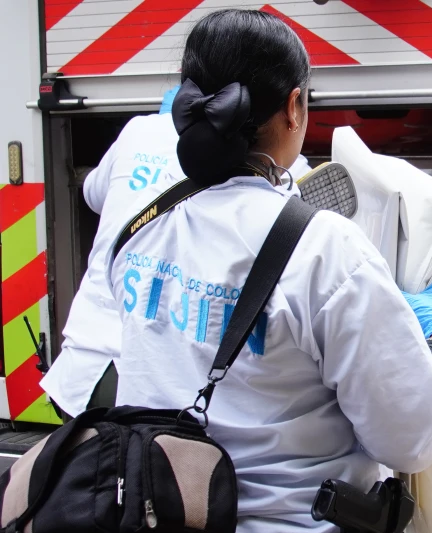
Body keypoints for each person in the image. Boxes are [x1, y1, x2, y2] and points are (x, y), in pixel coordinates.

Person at [83, 9, 432, 533]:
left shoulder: (140, 226)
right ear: (293, 107)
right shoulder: (327, 252)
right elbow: (410, 440)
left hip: (156, 517)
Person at [40, 87, 313, 418]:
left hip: (81, 373)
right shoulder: (280, 163)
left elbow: (93, 195)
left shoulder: (139, 131)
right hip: (150, 383)